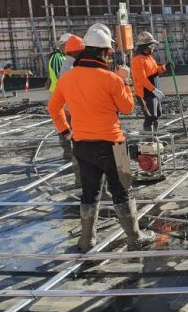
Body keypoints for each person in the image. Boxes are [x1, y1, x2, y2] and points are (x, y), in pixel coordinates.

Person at [47, 23, 154, 252]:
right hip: (114, 144)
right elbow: (127, 108)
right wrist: (124, 80)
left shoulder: (67, 79)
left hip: (82, 145)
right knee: (123, 189)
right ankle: (135, 237)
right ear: (104, 52)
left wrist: (66, 131)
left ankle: (86, 240)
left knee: (89, 192)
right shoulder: (111, 79)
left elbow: (53, 108)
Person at [131, 31, 167, 134]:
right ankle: (148, 138)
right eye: (152, 46)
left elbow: (155, 71)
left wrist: (164, 67)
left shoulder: (150, 58)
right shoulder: (137, 60)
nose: (153, 48)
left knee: (157, 115)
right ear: (146, 47)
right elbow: (142, 79)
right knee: (150, 116)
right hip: (145, 94)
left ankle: (154, 136)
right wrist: (154, 90)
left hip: (153, 91)